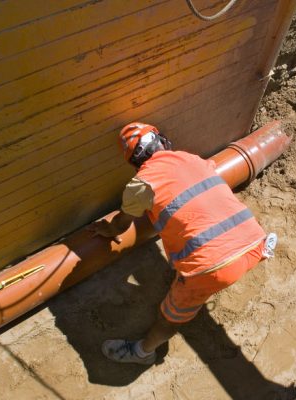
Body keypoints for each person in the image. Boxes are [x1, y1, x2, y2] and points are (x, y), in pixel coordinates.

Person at [88, 122, 276, 365]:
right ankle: (263, 250)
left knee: (169, 318)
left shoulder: (142, 184)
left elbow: (122, 225)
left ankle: (143, 352)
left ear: (134, 162)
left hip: (211, 270)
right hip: (253, 242)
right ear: (162, 142)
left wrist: (107, 229)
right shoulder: (190, 159)